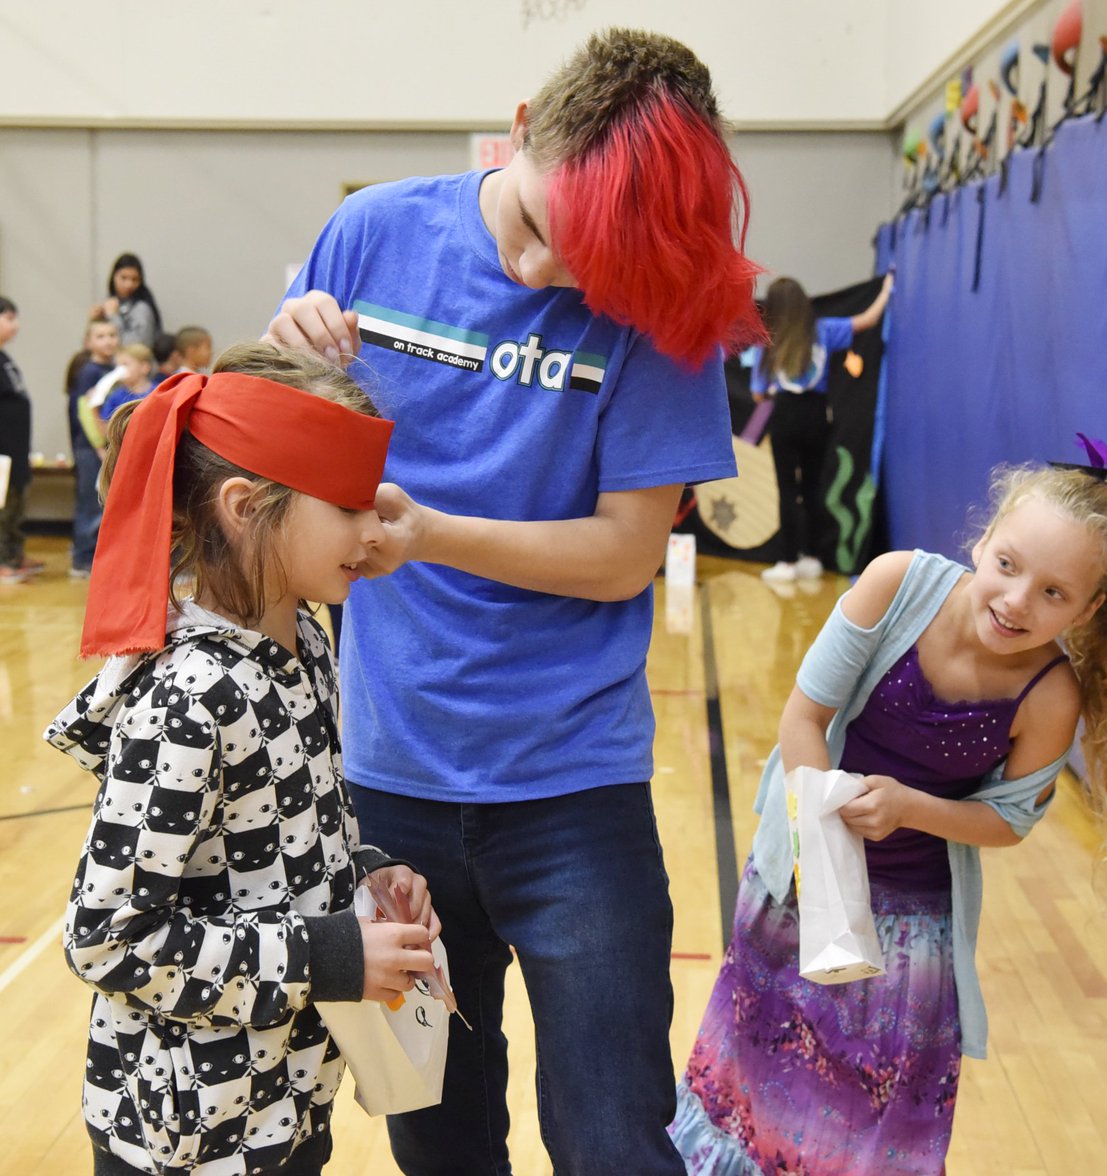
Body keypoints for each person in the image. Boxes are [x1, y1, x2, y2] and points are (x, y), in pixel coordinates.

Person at [266, 26, 763, 1175]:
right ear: (526, 126)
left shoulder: (663, 307)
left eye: (590, 268)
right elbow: (282, 467)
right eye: (542, 232)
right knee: (433, 1135)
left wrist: (431, 534)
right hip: (388, 782)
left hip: (573, 792)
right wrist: (289, 358)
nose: (548, 278)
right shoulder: (375, 229)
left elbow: (624, 555)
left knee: (610, 1139)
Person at [670, 443, 1107, 1174]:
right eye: (1007, 565)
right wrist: (825, 874)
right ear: (982, 540)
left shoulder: (1050, 694)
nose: (1016, 602)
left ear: (1091, 608)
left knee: (862, 1122)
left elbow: (1007, 820)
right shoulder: (895, 583)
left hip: (911, 934)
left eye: (1054, 594)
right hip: (799, 890)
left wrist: (913, 807)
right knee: (748, 1086)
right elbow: (802, 719)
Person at [45, 341, 442, 1176]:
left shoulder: (305, 637)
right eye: (350, 507)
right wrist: (332, 955)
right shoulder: (189, 699)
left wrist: (366, 870)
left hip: (288, 1102)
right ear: (245, 504)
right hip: (186, 1136)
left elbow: (284, 826)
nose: (377, 530)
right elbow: (107, 938)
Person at [756, 272, 893, 583]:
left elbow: (758, 393)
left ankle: (787, 562)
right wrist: (886, 291)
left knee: (787, 489)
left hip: (785, 414)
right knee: (815, 487)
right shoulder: (823, 330)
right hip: (818, 414)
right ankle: (813, 558)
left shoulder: (771, 340)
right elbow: (867, 320)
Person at [66, 318, 120, 578]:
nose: (108, 340)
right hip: (90, 448)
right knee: (90, 502)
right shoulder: (89, 371)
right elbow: (85, 411)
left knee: (103, 503)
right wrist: (99, 444)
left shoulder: (113, 370)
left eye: (112, 335)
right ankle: (82, 558)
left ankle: (95, 555)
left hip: (103, 447)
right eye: (101, 336)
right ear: (89, 342)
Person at [0, 296, 39, 582]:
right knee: (1, 508)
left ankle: (14, 554)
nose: (17, 325)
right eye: (9, 318)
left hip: (15, 449)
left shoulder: (5, 359)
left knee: (16, 504)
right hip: (1, 451)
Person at [94, 252, 163, 349]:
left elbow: (136, 346)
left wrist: (113, 316)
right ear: (113, 277)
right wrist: (94, 320)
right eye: (123, 278)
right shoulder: (107, 302)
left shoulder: (142, 308)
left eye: (135, 279)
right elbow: (91, 344)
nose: (129, 284)